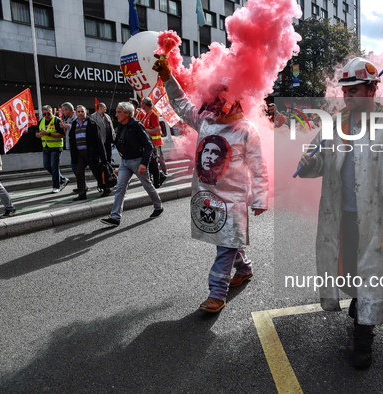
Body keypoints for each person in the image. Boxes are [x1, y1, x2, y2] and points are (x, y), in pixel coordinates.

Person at [297, 57, 383, 369]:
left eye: (355, 89)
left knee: (372, 276)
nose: (349, 96)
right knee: (352, 271)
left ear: (372, 89)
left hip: (378, 222)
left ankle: (363, 341)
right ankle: (359, 307)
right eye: (346, 90)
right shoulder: (335, 125)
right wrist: (307, 164)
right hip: (341, 218)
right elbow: (318, 163)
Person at [153, 58, 269, 314]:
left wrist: (260, 198)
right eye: (212, 98)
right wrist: (167, 77)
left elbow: (259, 167)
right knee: (226, 240)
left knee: (225, 244)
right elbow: (182, 105)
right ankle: (245, 268)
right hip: (209, 196)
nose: (213, 104)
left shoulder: (247, 130)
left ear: (233, 99)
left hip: (234, 198)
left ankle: (217, 292)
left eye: (219, 99)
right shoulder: (206, 121)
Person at [100, 102, 163, 226]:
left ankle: (158, 206)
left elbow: (149, 146)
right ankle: (115, 217)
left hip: (137, 161)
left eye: (119, 112)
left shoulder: (136, 125)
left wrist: (144, 163)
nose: (116, 114)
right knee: (120, 188)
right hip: (125, 162)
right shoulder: (121, 126)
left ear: (127, 114)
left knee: (147, 185)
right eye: (116, 112)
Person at [68, 105, 110, 200]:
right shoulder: (74, 124)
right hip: (79, 153)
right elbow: (71, 139)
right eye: (78, 112)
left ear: (85, 112)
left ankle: (105, 188)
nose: (80, 114)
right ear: (76, 113)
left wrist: (103, 156)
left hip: (90, 152)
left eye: (82, 111)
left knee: (97, 171)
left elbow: (99, 141)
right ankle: (82, 193)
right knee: (79, 173)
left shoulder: (92, 123)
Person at [35, 105, 70, 193]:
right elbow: (36, 132)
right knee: (46, 165)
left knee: (54, 167)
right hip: (46, 147)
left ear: (52, 112)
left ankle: (56, 186)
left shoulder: (57, 120)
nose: (46, 116)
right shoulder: (41, 121)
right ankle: (62, 179)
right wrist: (39, 135)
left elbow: (62, 135)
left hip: (56, 147)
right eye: (44, 114)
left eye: (48, 114)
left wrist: (48, 133)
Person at [137, 97, 167, 188]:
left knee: (153, 163)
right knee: (151, 163)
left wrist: (144, 132)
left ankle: (158, 180)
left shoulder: (153, 115)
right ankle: (159, 177)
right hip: (149, 143)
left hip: (154, 143)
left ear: (145, 105)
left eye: (142, 104)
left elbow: (157, 129)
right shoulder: (147, 115)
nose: (141, 106)